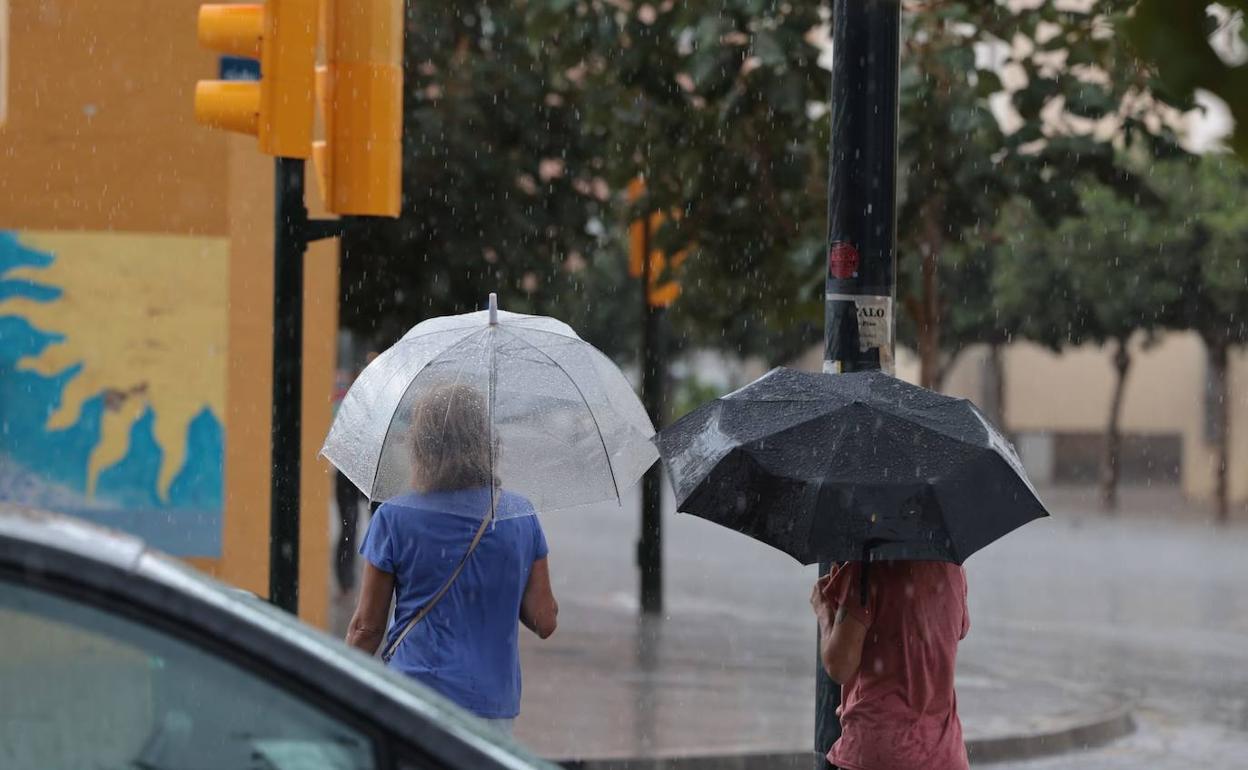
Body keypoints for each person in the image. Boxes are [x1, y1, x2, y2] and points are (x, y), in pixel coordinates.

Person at [345, 382, 558, 734]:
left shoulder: (394, 517)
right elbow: (544, 620)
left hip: (415, 698)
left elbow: (367, 628)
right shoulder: (518, 515)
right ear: (486, 442)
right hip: (492, 706)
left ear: (421, 445)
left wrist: (339, 686)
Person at [810, 560, 970, 770]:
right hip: (945, 755)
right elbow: (958, 629)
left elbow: (839, 666)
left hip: (878, 752)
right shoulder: (953, 571)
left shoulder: (865, 571)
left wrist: (825, 611)